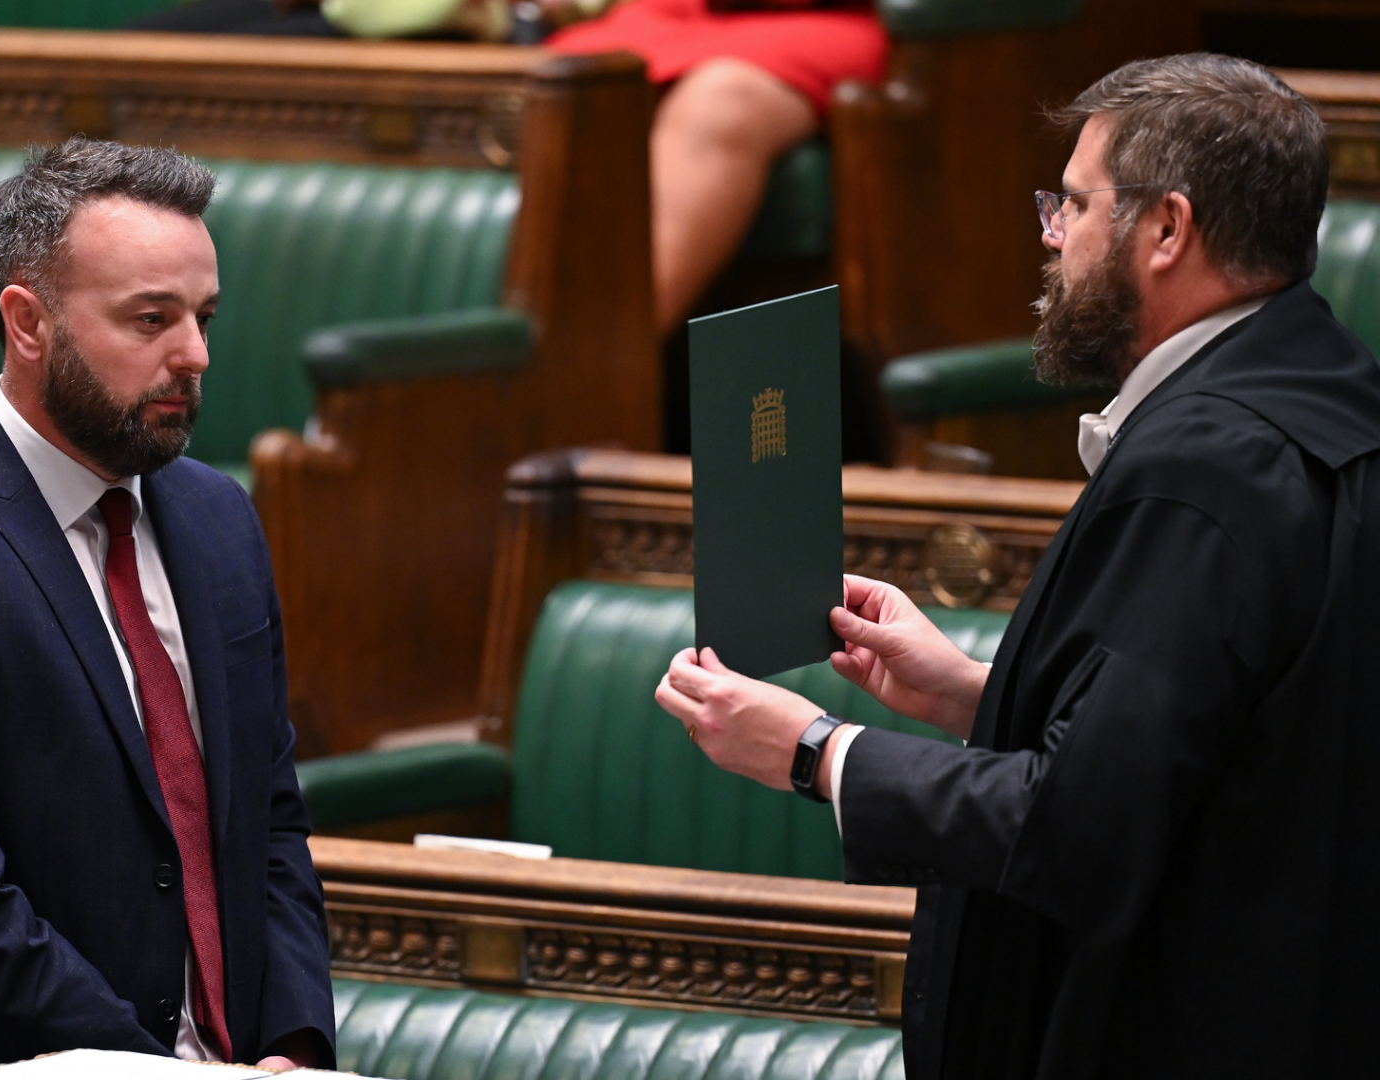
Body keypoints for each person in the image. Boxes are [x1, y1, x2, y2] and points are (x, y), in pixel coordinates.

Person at [655, 54, 1380, 1079]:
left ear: (1167, 230)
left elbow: (1078, 829)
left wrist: (815, 750)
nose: (1052, 236)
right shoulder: (1329, 390)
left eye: (1073, 205)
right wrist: (972, 696)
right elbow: (1216, 753)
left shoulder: (1207, 469)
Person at [0, 139, 334, 1080]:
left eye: (204, 317)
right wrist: (156, 1073)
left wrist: (289, 1043)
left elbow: (271, 826)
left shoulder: (219, 520)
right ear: (28, 322)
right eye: (151, 319)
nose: (194, 355)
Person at [544, 0, 887, 332]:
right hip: (690, 13)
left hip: (851, 17)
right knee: (554, 78)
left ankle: (595, 363)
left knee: (721, 100)